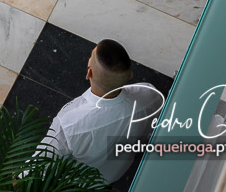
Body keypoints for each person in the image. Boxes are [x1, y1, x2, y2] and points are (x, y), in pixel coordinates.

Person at [36, 39, 162, 184]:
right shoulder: (150, 95)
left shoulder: (68, 125)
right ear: (130, 74)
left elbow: (38, 167)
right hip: (118, 169)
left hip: (83, 182)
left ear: (88, 73)